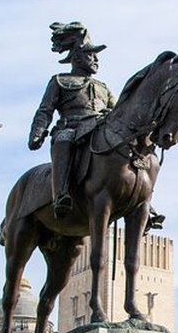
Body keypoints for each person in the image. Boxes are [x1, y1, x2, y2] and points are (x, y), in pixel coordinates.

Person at [29, 22, 115, 218]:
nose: (95, 60)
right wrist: (37, 133)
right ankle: (61, 194)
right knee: (64, 140)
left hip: (98, 127)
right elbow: (45, 110)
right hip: (72, 128)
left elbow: (118, 111)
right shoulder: (59, 81)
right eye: (90, 55)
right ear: (76, 57)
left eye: (96, 56)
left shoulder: (103, 87)